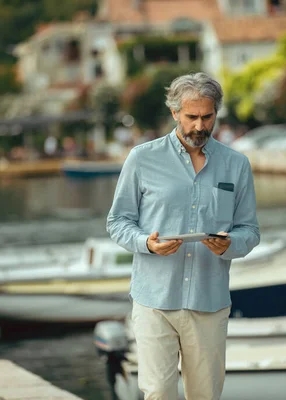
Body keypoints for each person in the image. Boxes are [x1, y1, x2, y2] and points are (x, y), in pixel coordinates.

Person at [106, 72, 260, 400]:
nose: (199, 126)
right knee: (159, 392)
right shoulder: (142, 159)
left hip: (209, 302)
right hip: (154, 301)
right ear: (175, 113)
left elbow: (250, 229)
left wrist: (230, 244)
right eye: (191, 117)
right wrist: (146, 243)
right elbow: (118, 221)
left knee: (204, 396)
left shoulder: (237, 165)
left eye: (208, 117)